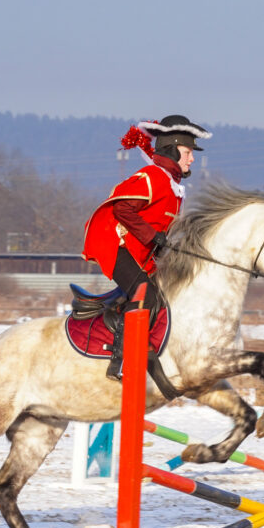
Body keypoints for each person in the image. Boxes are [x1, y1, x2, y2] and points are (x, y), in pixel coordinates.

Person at [82, 115, 212, 380]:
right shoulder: (153, 176)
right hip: (115, 245)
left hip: (140, 253)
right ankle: (120, 361)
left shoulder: (174, 186)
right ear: (173, 150)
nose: (192, 159)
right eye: (188, 152)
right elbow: (122, 208)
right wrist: (153, 236)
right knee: (146, 295)